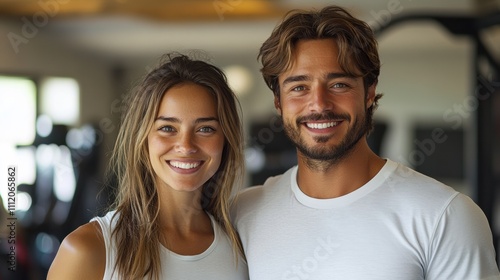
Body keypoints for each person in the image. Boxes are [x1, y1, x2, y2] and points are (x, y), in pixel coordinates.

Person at [233, 5, 500, 280]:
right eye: (299, 87)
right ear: (279, 101)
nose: (319, 104)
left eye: (339, 84)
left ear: (369, 92)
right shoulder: (243, 213)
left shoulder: (445, 215)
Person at [48, 53, 249, 280]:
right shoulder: (88, 249)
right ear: (142, 139)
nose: (185, 146)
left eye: (205, 129)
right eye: (167, 128)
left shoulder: (241, 247)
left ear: (226, 139)